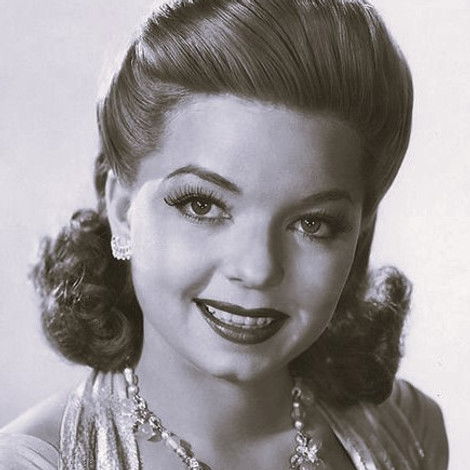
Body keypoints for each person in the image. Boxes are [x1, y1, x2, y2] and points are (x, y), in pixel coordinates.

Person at [0, 0, 448, 468]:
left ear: (359, 233)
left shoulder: (409, 429)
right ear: (122, 210)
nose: (257, 269)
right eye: (203, 205)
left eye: (312, 223)